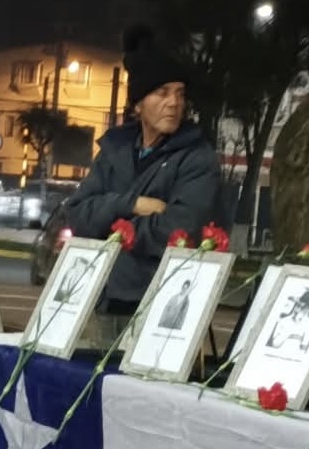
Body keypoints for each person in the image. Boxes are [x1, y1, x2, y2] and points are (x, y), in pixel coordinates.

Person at [65, 26, 220, 315]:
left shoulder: (197, 156)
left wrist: (111, 229)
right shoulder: (115, 148)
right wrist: (132, 204)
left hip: (155, 303)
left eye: (180, 94)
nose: (174, 103)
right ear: (138, 103)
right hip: (98, 298)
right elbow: (77, 213)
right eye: (162, 93)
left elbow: (182, 228)